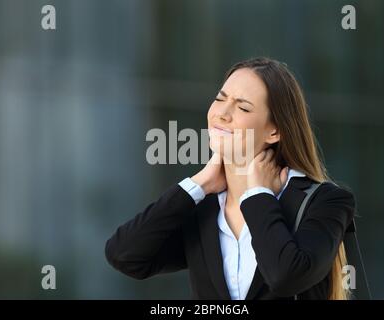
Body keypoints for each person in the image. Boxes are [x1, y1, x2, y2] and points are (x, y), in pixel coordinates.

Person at [105, 57, 356, 300]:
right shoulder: (203, 208)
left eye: (243, 107)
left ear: (275, 130)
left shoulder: (325, 201)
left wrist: (258, 195)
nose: (222, 113)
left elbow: (286, 276)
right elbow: (125, 255)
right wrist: (199, 184)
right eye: (220, 99)